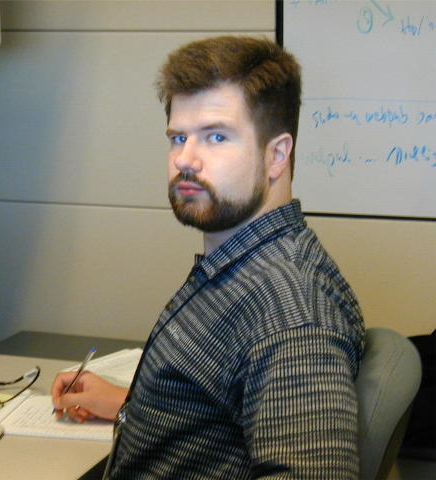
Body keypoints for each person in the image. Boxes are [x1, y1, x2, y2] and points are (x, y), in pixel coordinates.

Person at [51, 35, 365, 479]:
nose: (185, 159)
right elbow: (220, 410)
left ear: (276, 156)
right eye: (178, 137)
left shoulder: (291, 314)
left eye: (216, 137)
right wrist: (133, 407)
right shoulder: (244, 262)